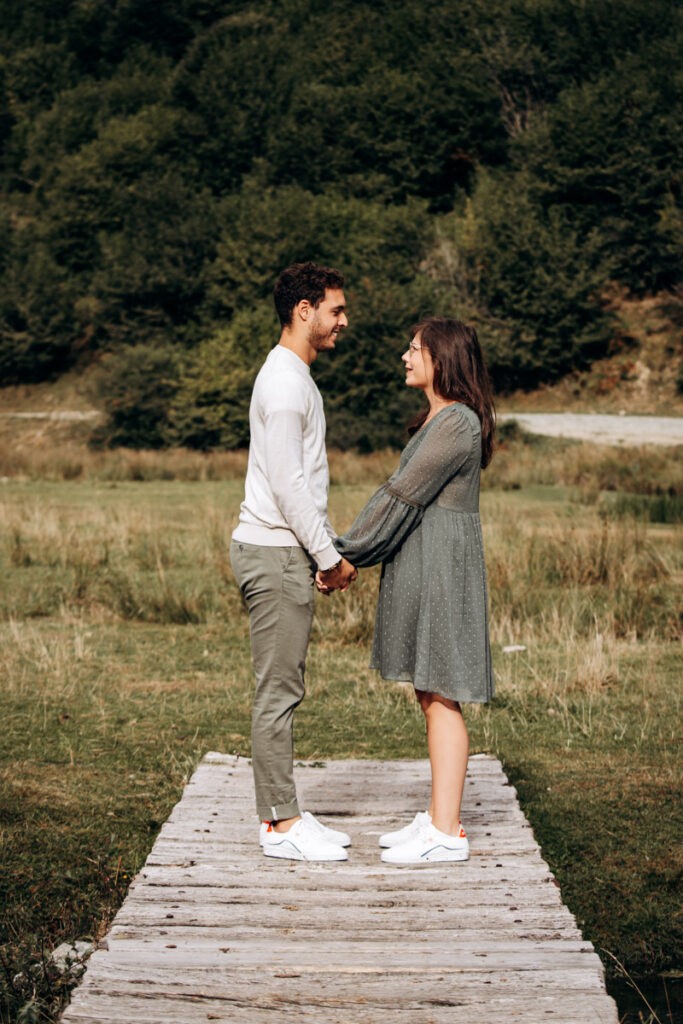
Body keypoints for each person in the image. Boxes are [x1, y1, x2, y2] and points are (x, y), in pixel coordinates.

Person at [320, 316, 495, 865]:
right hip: (428, 560)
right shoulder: (440, 420)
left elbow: (401, 496)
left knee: (441, 689)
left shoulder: (456, 423)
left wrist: (345, 553)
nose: (404, 355)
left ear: (442, 358)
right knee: (430, 689)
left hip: (443, 566)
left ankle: (446, 831)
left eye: (414, 348)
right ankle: (440, 816)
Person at [230, 262, 357, 862]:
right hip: (276, 552)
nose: (343, 321)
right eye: (335, 309)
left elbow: (302, 478)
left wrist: (320, 549)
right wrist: (329, 558)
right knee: (277, 692)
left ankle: (287, 814)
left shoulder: (294, 377)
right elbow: (287, 483)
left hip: (283, 551)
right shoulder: (284, 384)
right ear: (303, 310)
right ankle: (279, 825)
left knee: (285, 687)